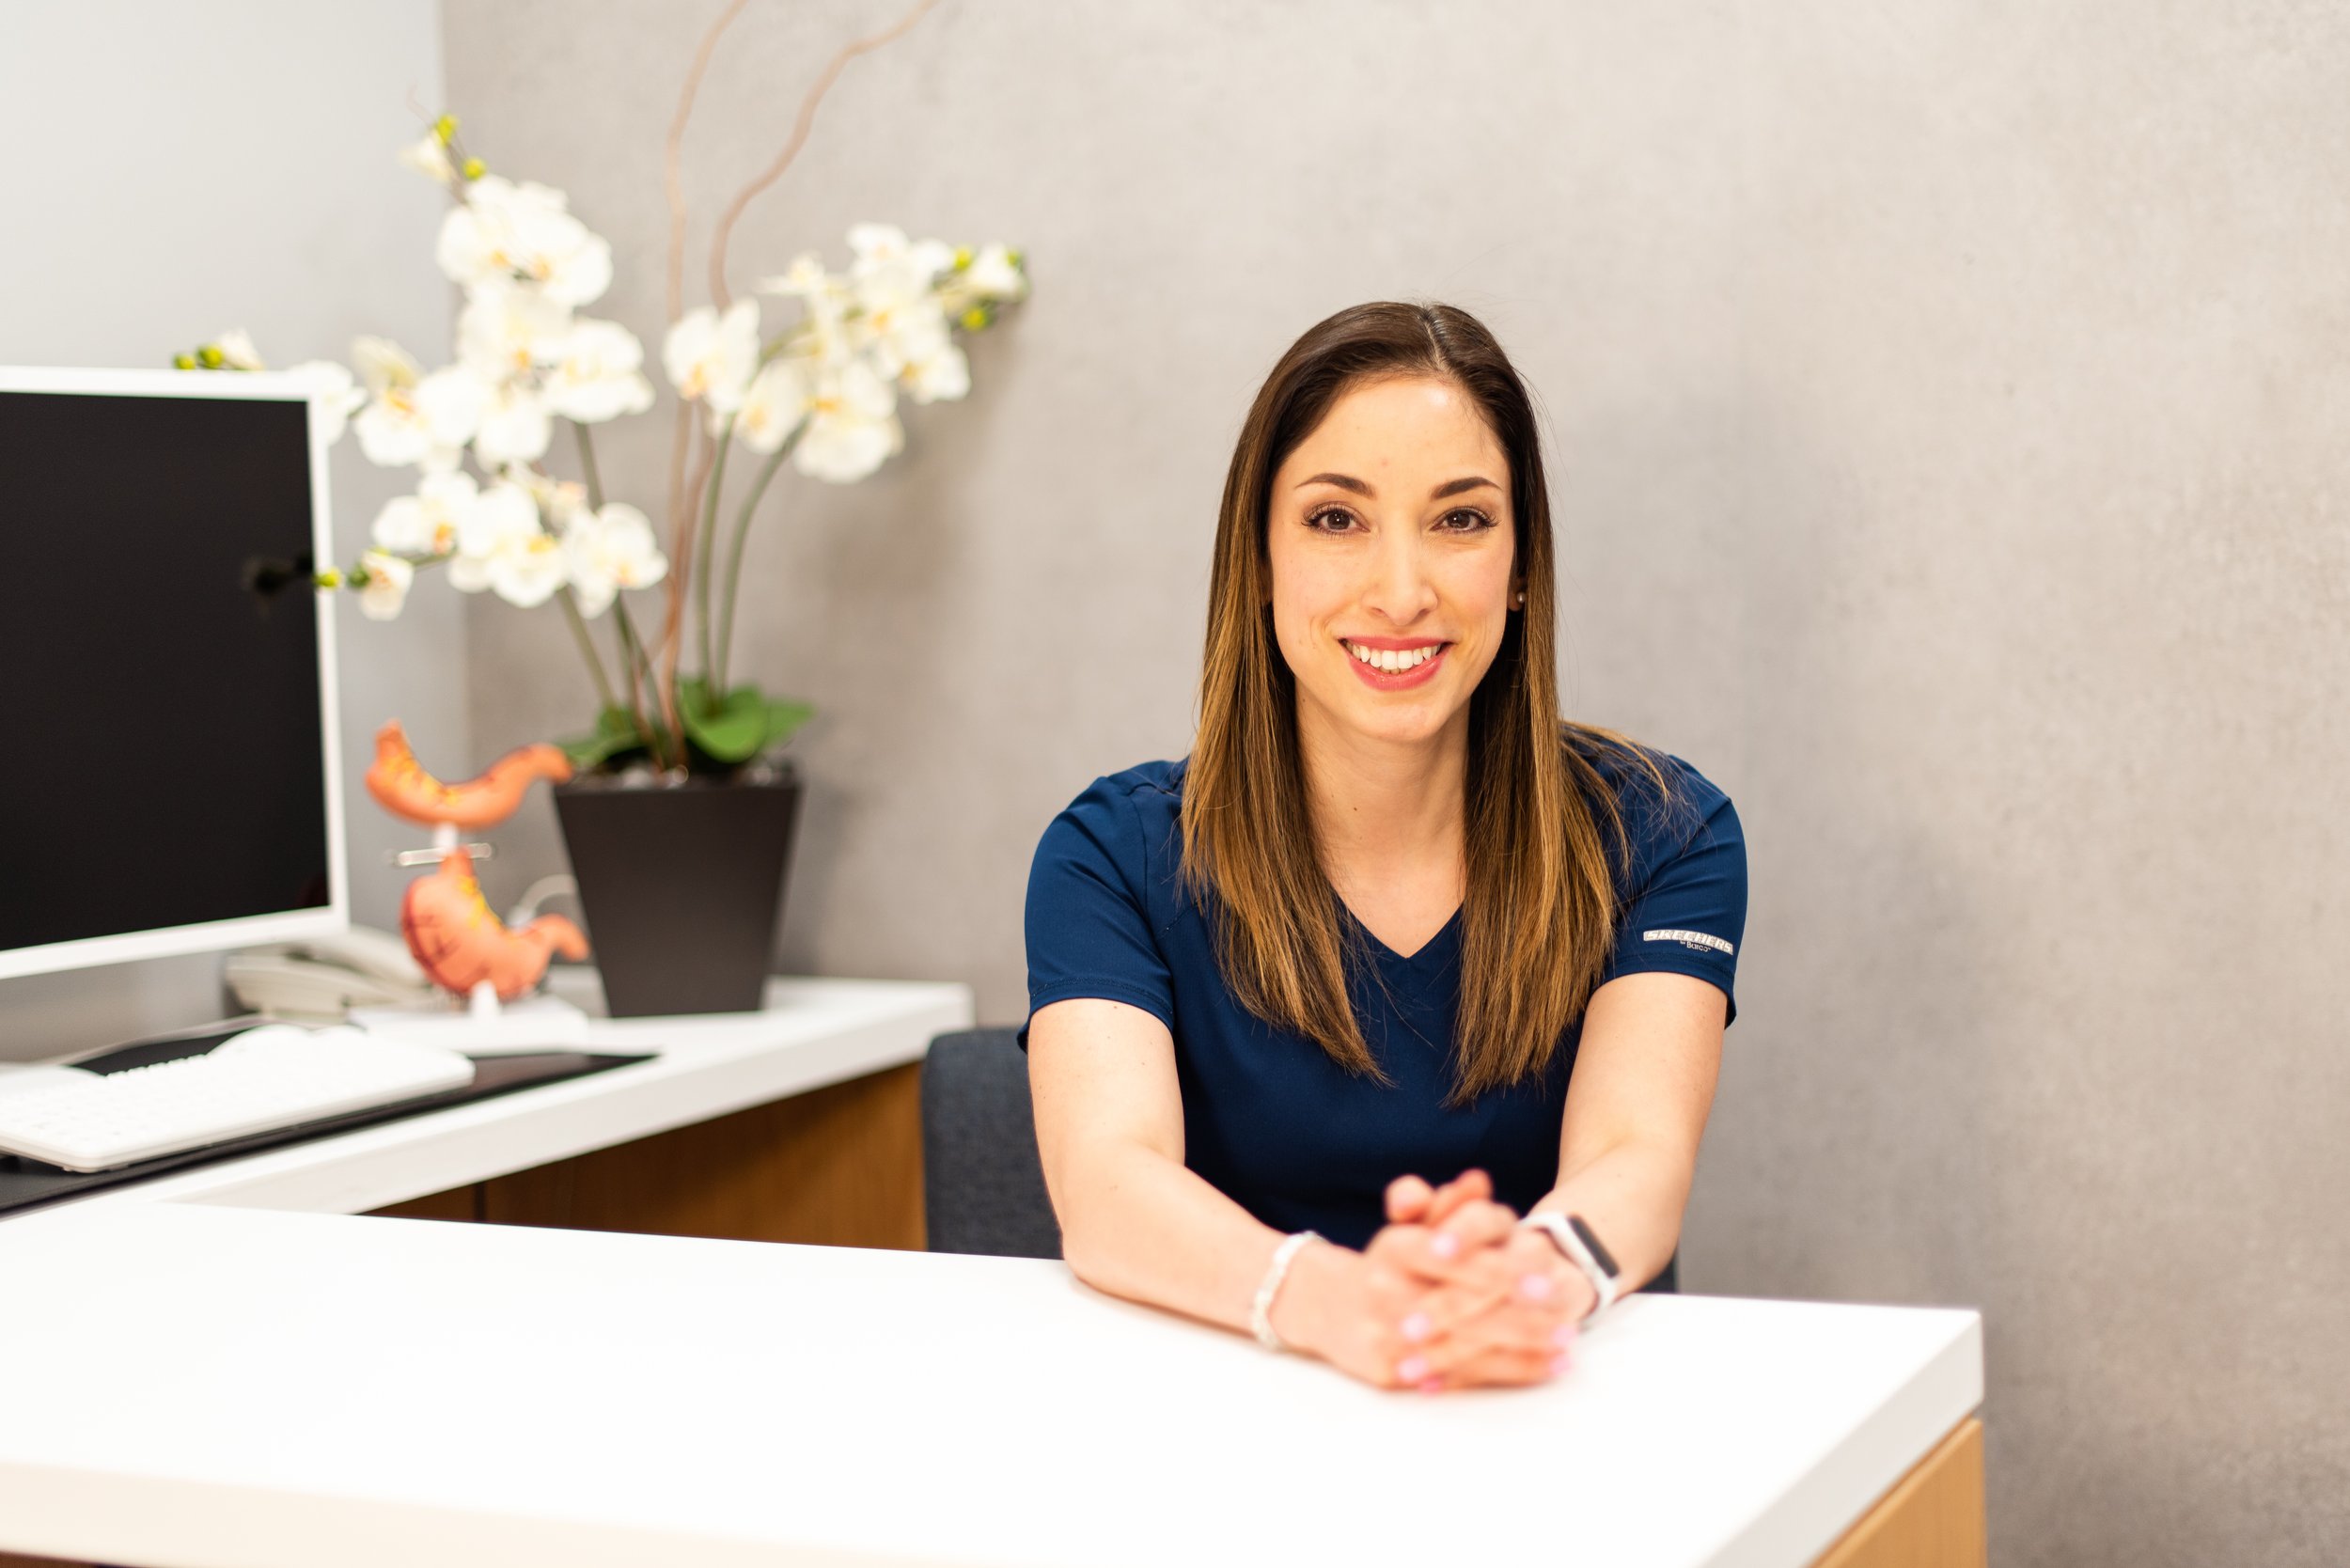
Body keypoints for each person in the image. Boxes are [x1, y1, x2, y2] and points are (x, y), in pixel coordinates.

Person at [1021, 301, 1746, 1393]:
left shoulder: (1663, 832)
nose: (1401, 592)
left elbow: (1633, 1158)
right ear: (1258, 559)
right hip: (1212, 1410)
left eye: (1459, 521)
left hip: (1536, 1406)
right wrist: (1347, 1305)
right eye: (1333, 520)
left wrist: (1519, 1286)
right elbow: (1106, 1186)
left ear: (1518, 565)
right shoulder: (1109, 856)